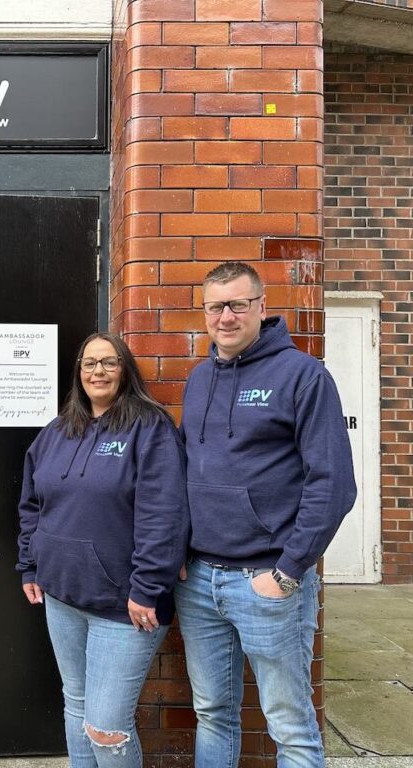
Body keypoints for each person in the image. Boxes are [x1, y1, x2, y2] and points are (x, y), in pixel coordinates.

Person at [175, 262, 356, 768]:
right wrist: (179, 553)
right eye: (215, 306)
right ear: (205, 312)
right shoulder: (199, 379)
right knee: (212, 712)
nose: (226, 316)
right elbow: (185, 473)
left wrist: (288, 572)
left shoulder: (303, 375)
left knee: (289, 723)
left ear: (260, 306)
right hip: (199, 582)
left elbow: (334, 484)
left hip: (267, 580)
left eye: (237, 304)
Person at [17, 331, 189, 768]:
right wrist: (30, 565)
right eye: (90, 363)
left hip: (125, 605)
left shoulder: (149, 428)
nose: (99, 371)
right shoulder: (57, 432)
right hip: (61, 596)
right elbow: (32, 503)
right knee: (76, 707)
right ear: (79, 372)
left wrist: (148, 587)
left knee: (106, 726)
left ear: (125, 369)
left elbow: (164, 514)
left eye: (109, 362)